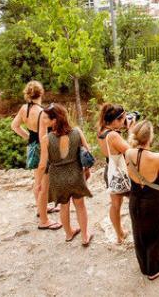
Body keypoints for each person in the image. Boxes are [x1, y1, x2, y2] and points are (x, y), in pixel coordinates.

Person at [36, 104, 93, 243]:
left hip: (57, 177)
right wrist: (87, 170)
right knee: (80, 205)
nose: (44, 121)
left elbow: (43, 164)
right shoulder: (77, 132)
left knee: (64, 206)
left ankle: (69, 234)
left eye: (46, 118)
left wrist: (38, 183)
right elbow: (87, 151)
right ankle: (85, 236)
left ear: (54, 120)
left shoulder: (46, 139)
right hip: (76, 173)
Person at [125, 120, 159, 280]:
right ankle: (155, 269)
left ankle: (144, 266)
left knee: (139, 232)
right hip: (153, 201)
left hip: (135, 198)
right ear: (150, 137)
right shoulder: (158, 158)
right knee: (156, 234)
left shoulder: (128, 153)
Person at [10, 81, 55, 215]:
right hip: (43, 147)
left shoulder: (24, 109)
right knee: (43, 181)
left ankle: (41, 208)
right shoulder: (42, 112)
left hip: (32, 145)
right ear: (41, 93)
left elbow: (14, 126)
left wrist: (28, 136)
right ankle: (43, 213)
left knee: (38, 178)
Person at [96, 103, 133, 244]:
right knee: (136, 201)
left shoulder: (102, 131)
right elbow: (131, 151)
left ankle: (119, 235)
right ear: (116, 120)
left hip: (110, 170)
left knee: (115, 205)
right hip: (121, 172)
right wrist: (130, 130)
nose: (125, 121)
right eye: (123, 118)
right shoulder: (113, 136)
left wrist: (121, 127)